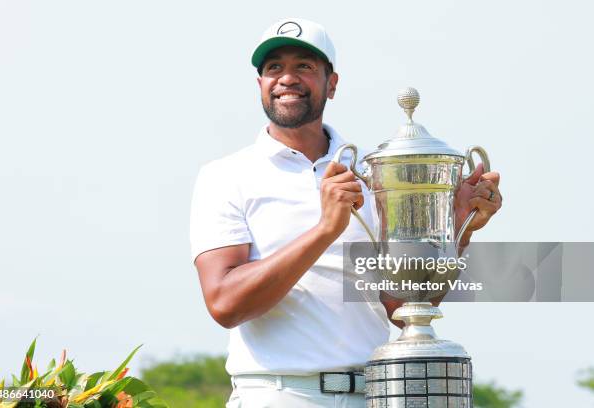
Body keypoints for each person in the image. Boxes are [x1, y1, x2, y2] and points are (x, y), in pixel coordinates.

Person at [190, 18, 502, 408]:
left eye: (304, 66)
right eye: (274, 68)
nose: (287, 77)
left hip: (373, 394)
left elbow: (402, 308)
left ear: (331, 84)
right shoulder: (225, 176)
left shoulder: (373, 180)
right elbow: (224, 303)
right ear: (260, 85)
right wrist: (324, 229)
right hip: (276, 394)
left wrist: (458, 227)